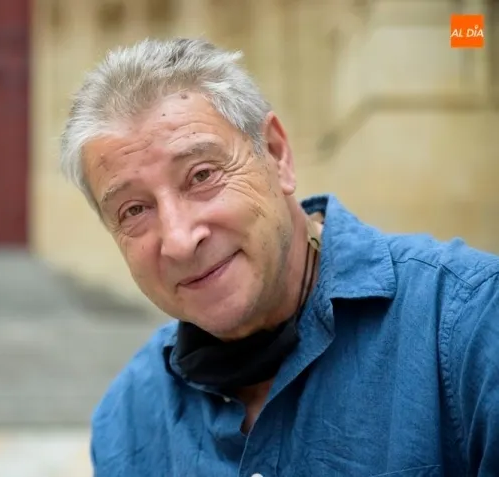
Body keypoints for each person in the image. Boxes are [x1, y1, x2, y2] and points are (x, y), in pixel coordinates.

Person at [59, 37, 499, 476]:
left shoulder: (468, 328)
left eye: (201, 175)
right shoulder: (129, 417)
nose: (179, 240)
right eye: (134, 210)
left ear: (276, 154)